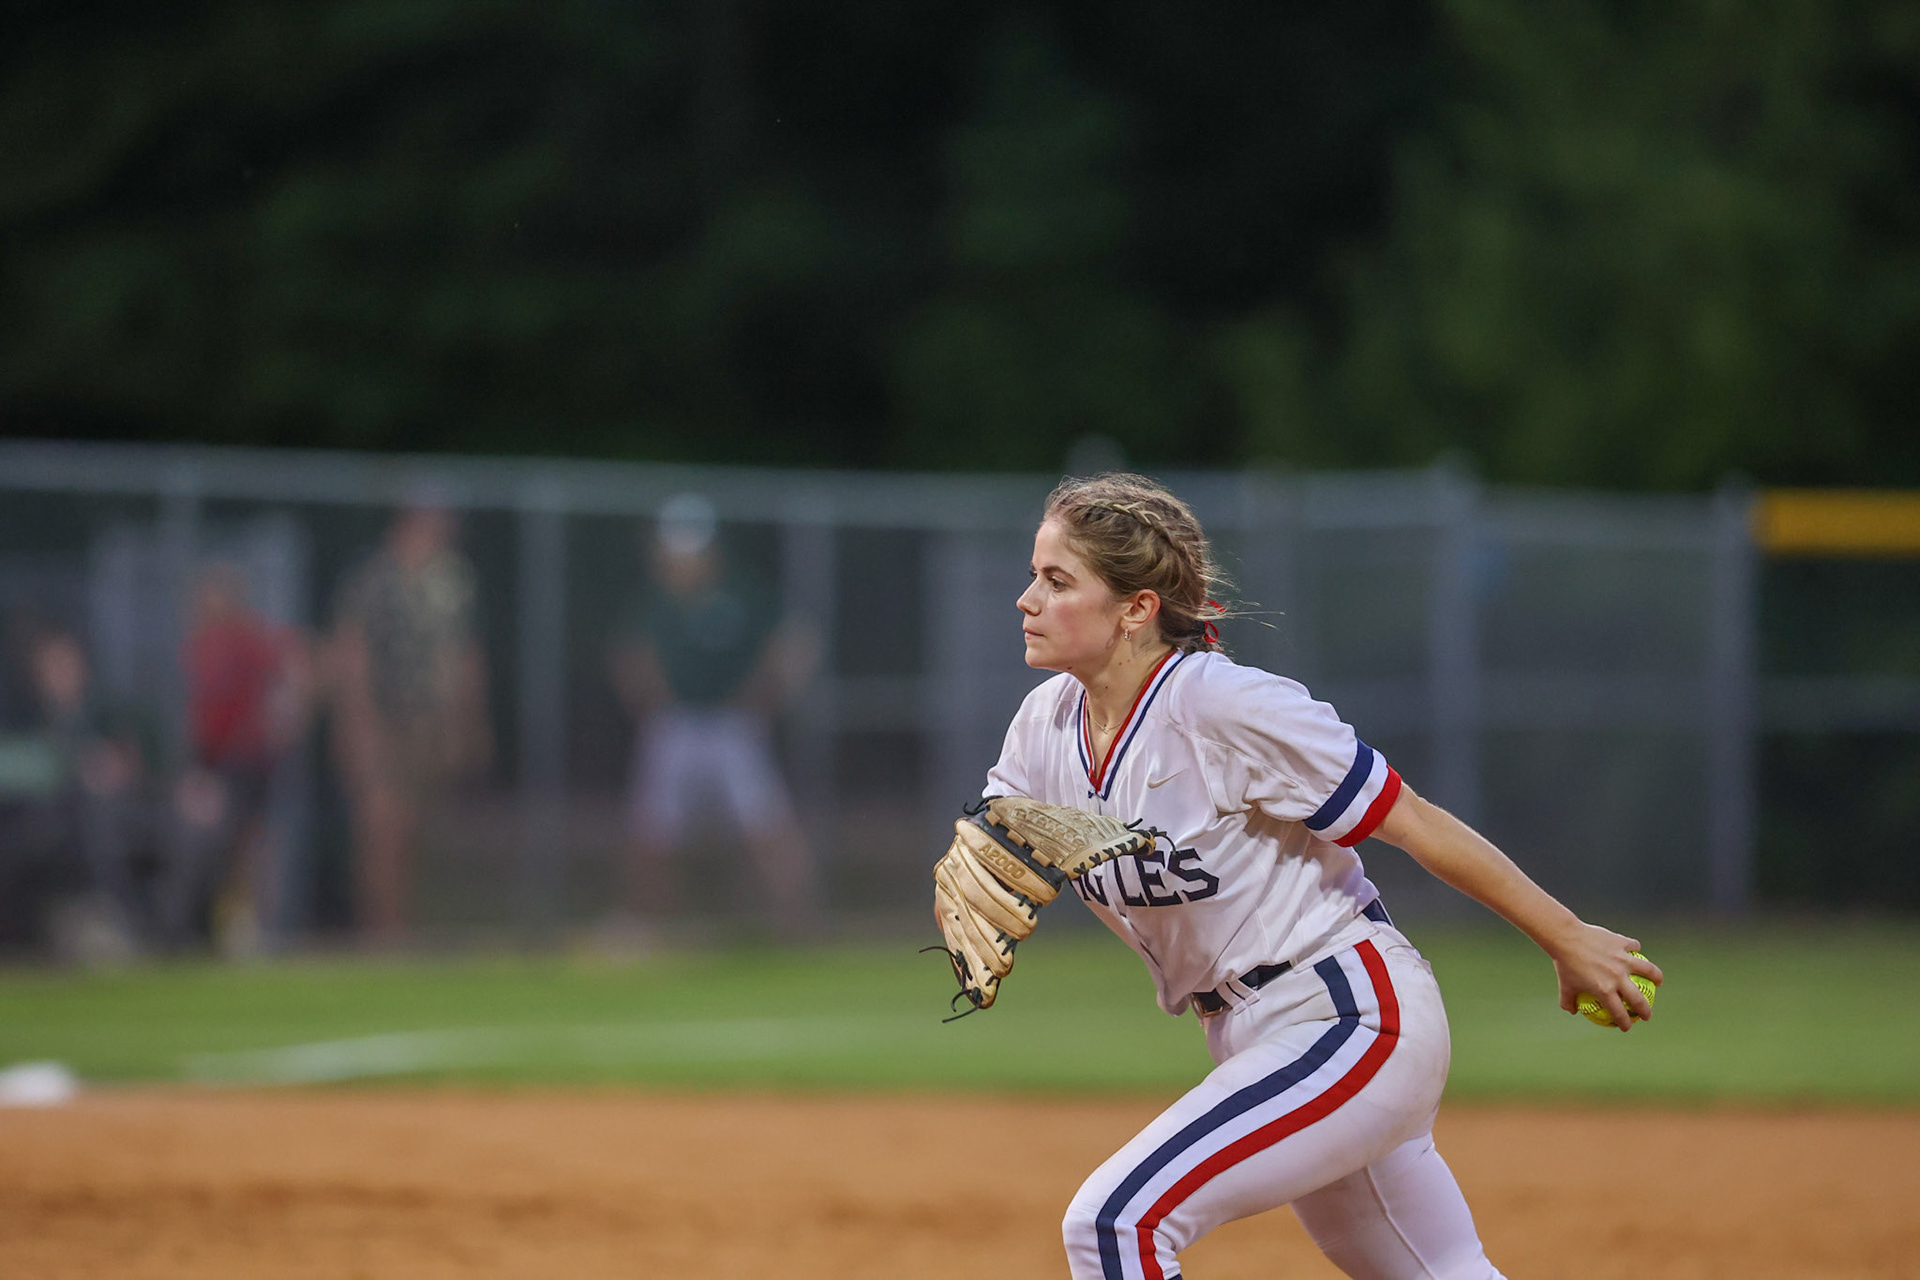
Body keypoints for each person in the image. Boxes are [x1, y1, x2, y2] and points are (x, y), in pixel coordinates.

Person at [979, 473, 1661, 1280]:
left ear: (1137, 608)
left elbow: (1413, 821)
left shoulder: (1222, 706)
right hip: (1251, 1032)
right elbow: (1015, 850)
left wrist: (1566, 936)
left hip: (1348, 1015)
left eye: (1058, 581)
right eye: (1036, 575)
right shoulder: (1046, 723)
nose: (1027, 599)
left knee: (1116, 1222)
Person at [609, 494, 816, 934]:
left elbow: (792, 646)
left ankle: (797, 925)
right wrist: (648, 696)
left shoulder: (742, 593)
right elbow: (631, 656)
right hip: (674, 725)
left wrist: (762, 698)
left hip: (732, 727)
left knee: (767, 827)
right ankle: (649, 924)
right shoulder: (654, 601)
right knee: (650, 831)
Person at [326, 501, 492, 944]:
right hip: (380, 721)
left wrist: (464, 725)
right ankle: (381, 930)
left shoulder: (452, 581)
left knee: (410, 828)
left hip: (428, 725)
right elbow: (352, 654)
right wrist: (355, 725)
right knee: (380, 826)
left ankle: (401, 925)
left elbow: (461, 657)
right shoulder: (373, 578)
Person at [174, 563, 309, 953]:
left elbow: (294, 664)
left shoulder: (247, 638)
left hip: (247, 758)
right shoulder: (198, 645)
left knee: (251, 844)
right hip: (213, 761)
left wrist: (285, 717)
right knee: (222, 844)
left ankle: (253, 925)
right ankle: (226, 923)